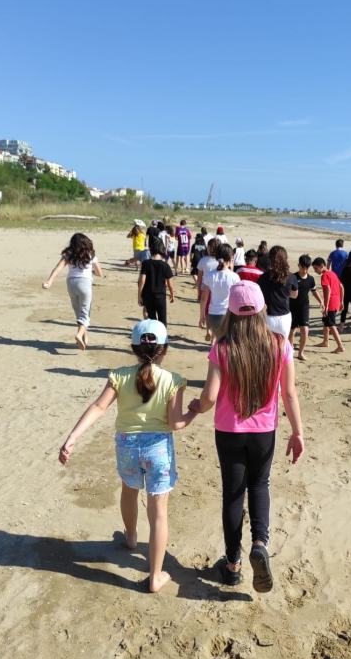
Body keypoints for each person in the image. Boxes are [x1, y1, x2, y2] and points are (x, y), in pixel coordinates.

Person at [58, 319, 195, 593]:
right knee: (158, 512)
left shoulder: (119, 376)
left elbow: (99, 407)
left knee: (129, 490)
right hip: (158, 448)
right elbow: (175, 424)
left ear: (133, 348)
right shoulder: (172, 380)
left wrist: (72, 438)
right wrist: (194, 412)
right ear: (164, 349)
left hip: (127, 446)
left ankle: (131, 537)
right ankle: (155, 576)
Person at [188, 281, 304, 592]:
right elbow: (289, 393)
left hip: (229, 432)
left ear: (231, 313)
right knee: (260, 484)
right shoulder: (280, 344)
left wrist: (196, 407)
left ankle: (232, 565)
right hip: (264, 431)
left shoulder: (222, 347)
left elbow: (210, 396)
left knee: (233, 493)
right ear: (263, 309)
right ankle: (260, 544)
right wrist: (297, 432)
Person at [42, 232, 103, 350]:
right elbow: (100, 273)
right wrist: (91, 271)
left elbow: (58, 268)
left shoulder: (68, 254)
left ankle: (84, 336)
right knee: (85, 312)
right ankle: (79, 334)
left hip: (71, 284)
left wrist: (49, 281)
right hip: (84, 284)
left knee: (78, 310)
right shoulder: (91, 255)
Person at [201, 244, 240, 342]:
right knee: (227, 345)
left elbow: (204, 298)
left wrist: (202, 315)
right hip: (228, 315)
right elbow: (237, 298)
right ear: (230, 258)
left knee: (217, 343)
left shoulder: (210, 275)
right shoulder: (234, 277)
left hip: (213, 314)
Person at [257, 245, 299, 338]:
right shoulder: (291, 276)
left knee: (268, 348)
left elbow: (259, 295)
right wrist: (284, 293)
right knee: (282, 347)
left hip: (268, 316)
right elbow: (295, 295)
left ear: (270, 259)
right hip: (284, 317)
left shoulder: (263, 277)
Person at [289, 254, 322, 361]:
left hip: (304, 307)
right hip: (292, 308)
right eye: (302, 267)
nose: (304, 269)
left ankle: (300, 353)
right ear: (299, 265)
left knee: (305, 330)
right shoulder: (293, 277)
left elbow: (314, 291)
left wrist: (321, 301)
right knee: (291, 331)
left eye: (306, 267)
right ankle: (290, 349)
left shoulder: (311, 279)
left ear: (308, 267)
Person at [138, 236, 175, 325]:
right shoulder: (165, 266)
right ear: (162, 249)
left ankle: (153, 336)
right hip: (160, 296)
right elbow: (170, 284)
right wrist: (172, 294)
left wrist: (139, 295)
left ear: (151, 249)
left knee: (152, 320)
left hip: (148, 295)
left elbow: (142, 281)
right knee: (162, 319)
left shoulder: (146, 263)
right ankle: (163, 337)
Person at [312, 257, 345, 353]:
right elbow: (341, 287)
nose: (315, 271)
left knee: (331, 324)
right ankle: (325, 341)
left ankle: (340, 345)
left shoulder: (325, 275)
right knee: (326, 322)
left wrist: (325, 306)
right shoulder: (333, 273)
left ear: (321, 266)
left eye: (315, 268)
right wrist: (342, 301)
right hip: (336, 301)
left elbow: (328, 290)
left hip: (330, 302)